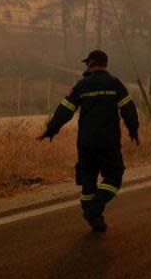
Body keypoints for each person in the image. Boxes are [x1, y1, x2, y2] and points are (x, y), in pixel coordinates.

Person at [37, 50, 140, 233]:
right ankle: (94, 209)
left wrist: (52, 129)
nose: (85, 67)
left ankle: (93, 216)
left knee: (88, 179)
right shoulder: (115, 83)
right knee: (114, 176)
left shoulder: (82, 85)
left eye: (87, 63)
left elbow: (66, 109)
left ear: (92, 63)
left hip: (86, 142)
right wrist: (133, 129)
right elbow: (128, 109)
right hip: (108, 141)